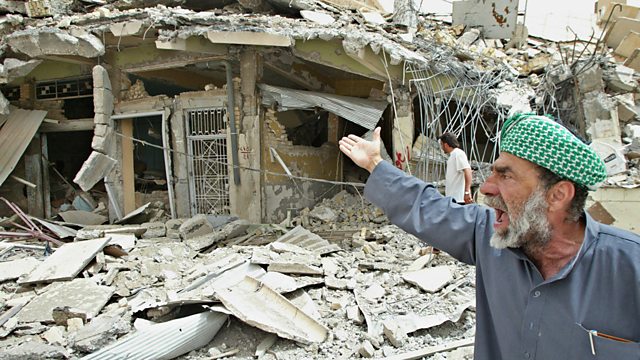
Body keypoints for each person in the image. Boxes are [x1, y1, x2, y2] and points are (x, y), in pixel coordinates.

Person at [338, 113, 640, 360]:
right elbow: (426, 206)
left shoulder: (630, 267)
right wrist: (374, 164)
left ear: (558, 194)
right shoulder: (488, 234)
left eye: (505, 176)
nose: (486, 188)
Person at [439, 132, 473, 204]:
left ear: (445, 145)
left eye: (441, 144)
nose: (441, 147)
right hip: (452, 199)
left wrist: (467, 192)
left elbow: (467, 171)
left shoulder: (458, 153)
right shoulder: (453, 155)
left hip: (458, 199)